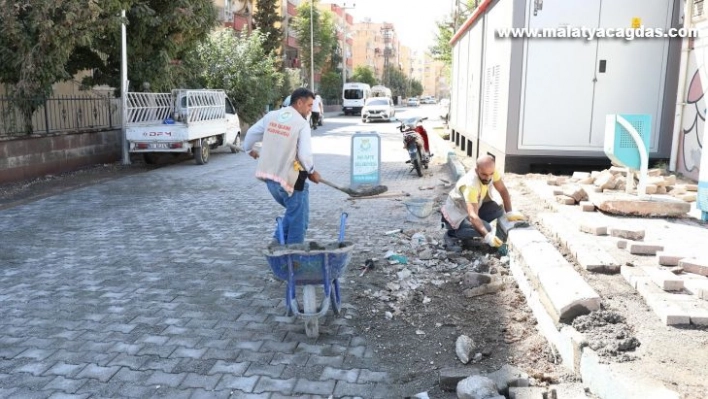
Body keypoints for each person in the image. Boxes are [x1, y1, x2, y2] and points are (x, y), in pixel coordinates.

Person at [243, 88, 321, 245]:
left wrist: (249, 149)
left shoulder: (271, 116)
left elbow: (251, 133)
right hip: (291, 183)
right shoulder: (301, 124)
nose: (310, 110)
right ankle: (293, 258)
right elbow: (305, 156)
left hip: (271, 181)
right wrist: (312, 171)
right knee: (298, 223)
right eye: (309, 106)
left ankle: (277, 242)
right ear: (299, 103)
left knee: (296, 215)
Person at [440, 155, 525, 250]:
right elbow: (473, 216)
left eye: (490, 174)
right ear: (477, 170)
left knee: (497, 209)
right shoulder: (470, 185)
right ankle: (452, 234)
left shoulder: (490, 172)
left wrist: (509, 212)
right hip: (456, 216)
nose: (488, 178)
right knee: (487, 228)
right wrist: (487, 237)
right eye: (484, 174)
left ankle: (468, 233)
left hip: (469, 210)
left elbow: (502, 190)